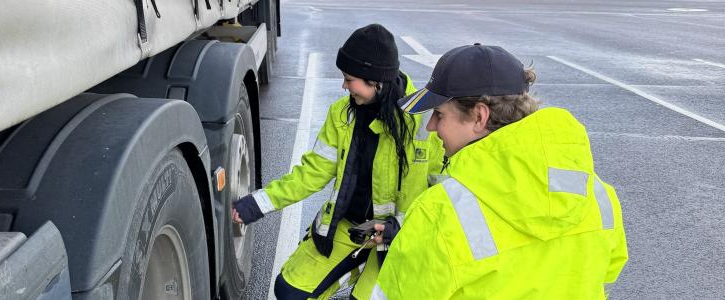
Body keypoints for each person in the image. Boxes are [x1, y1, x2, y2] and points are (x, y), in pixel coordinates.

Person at [372, 43, 629, 299]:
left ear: (480, 117)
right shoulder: (596, 194)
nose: (430, 126)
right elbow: (609, 270)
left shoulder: (441, 211)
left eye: (439, 114)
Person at [232, 24, 445, 299]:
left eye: (349, 79)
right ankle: (353, 269)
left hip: (401, 238)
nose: (344, 86)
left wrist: (404, 226)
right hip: (351, 228)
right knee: (288, 291)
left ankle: (361, 277)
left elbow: (443, 191)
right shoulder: (342, 114)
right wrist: (258, 203)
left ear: (375, 80)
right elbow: (311, 173)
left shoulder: (425, 120)